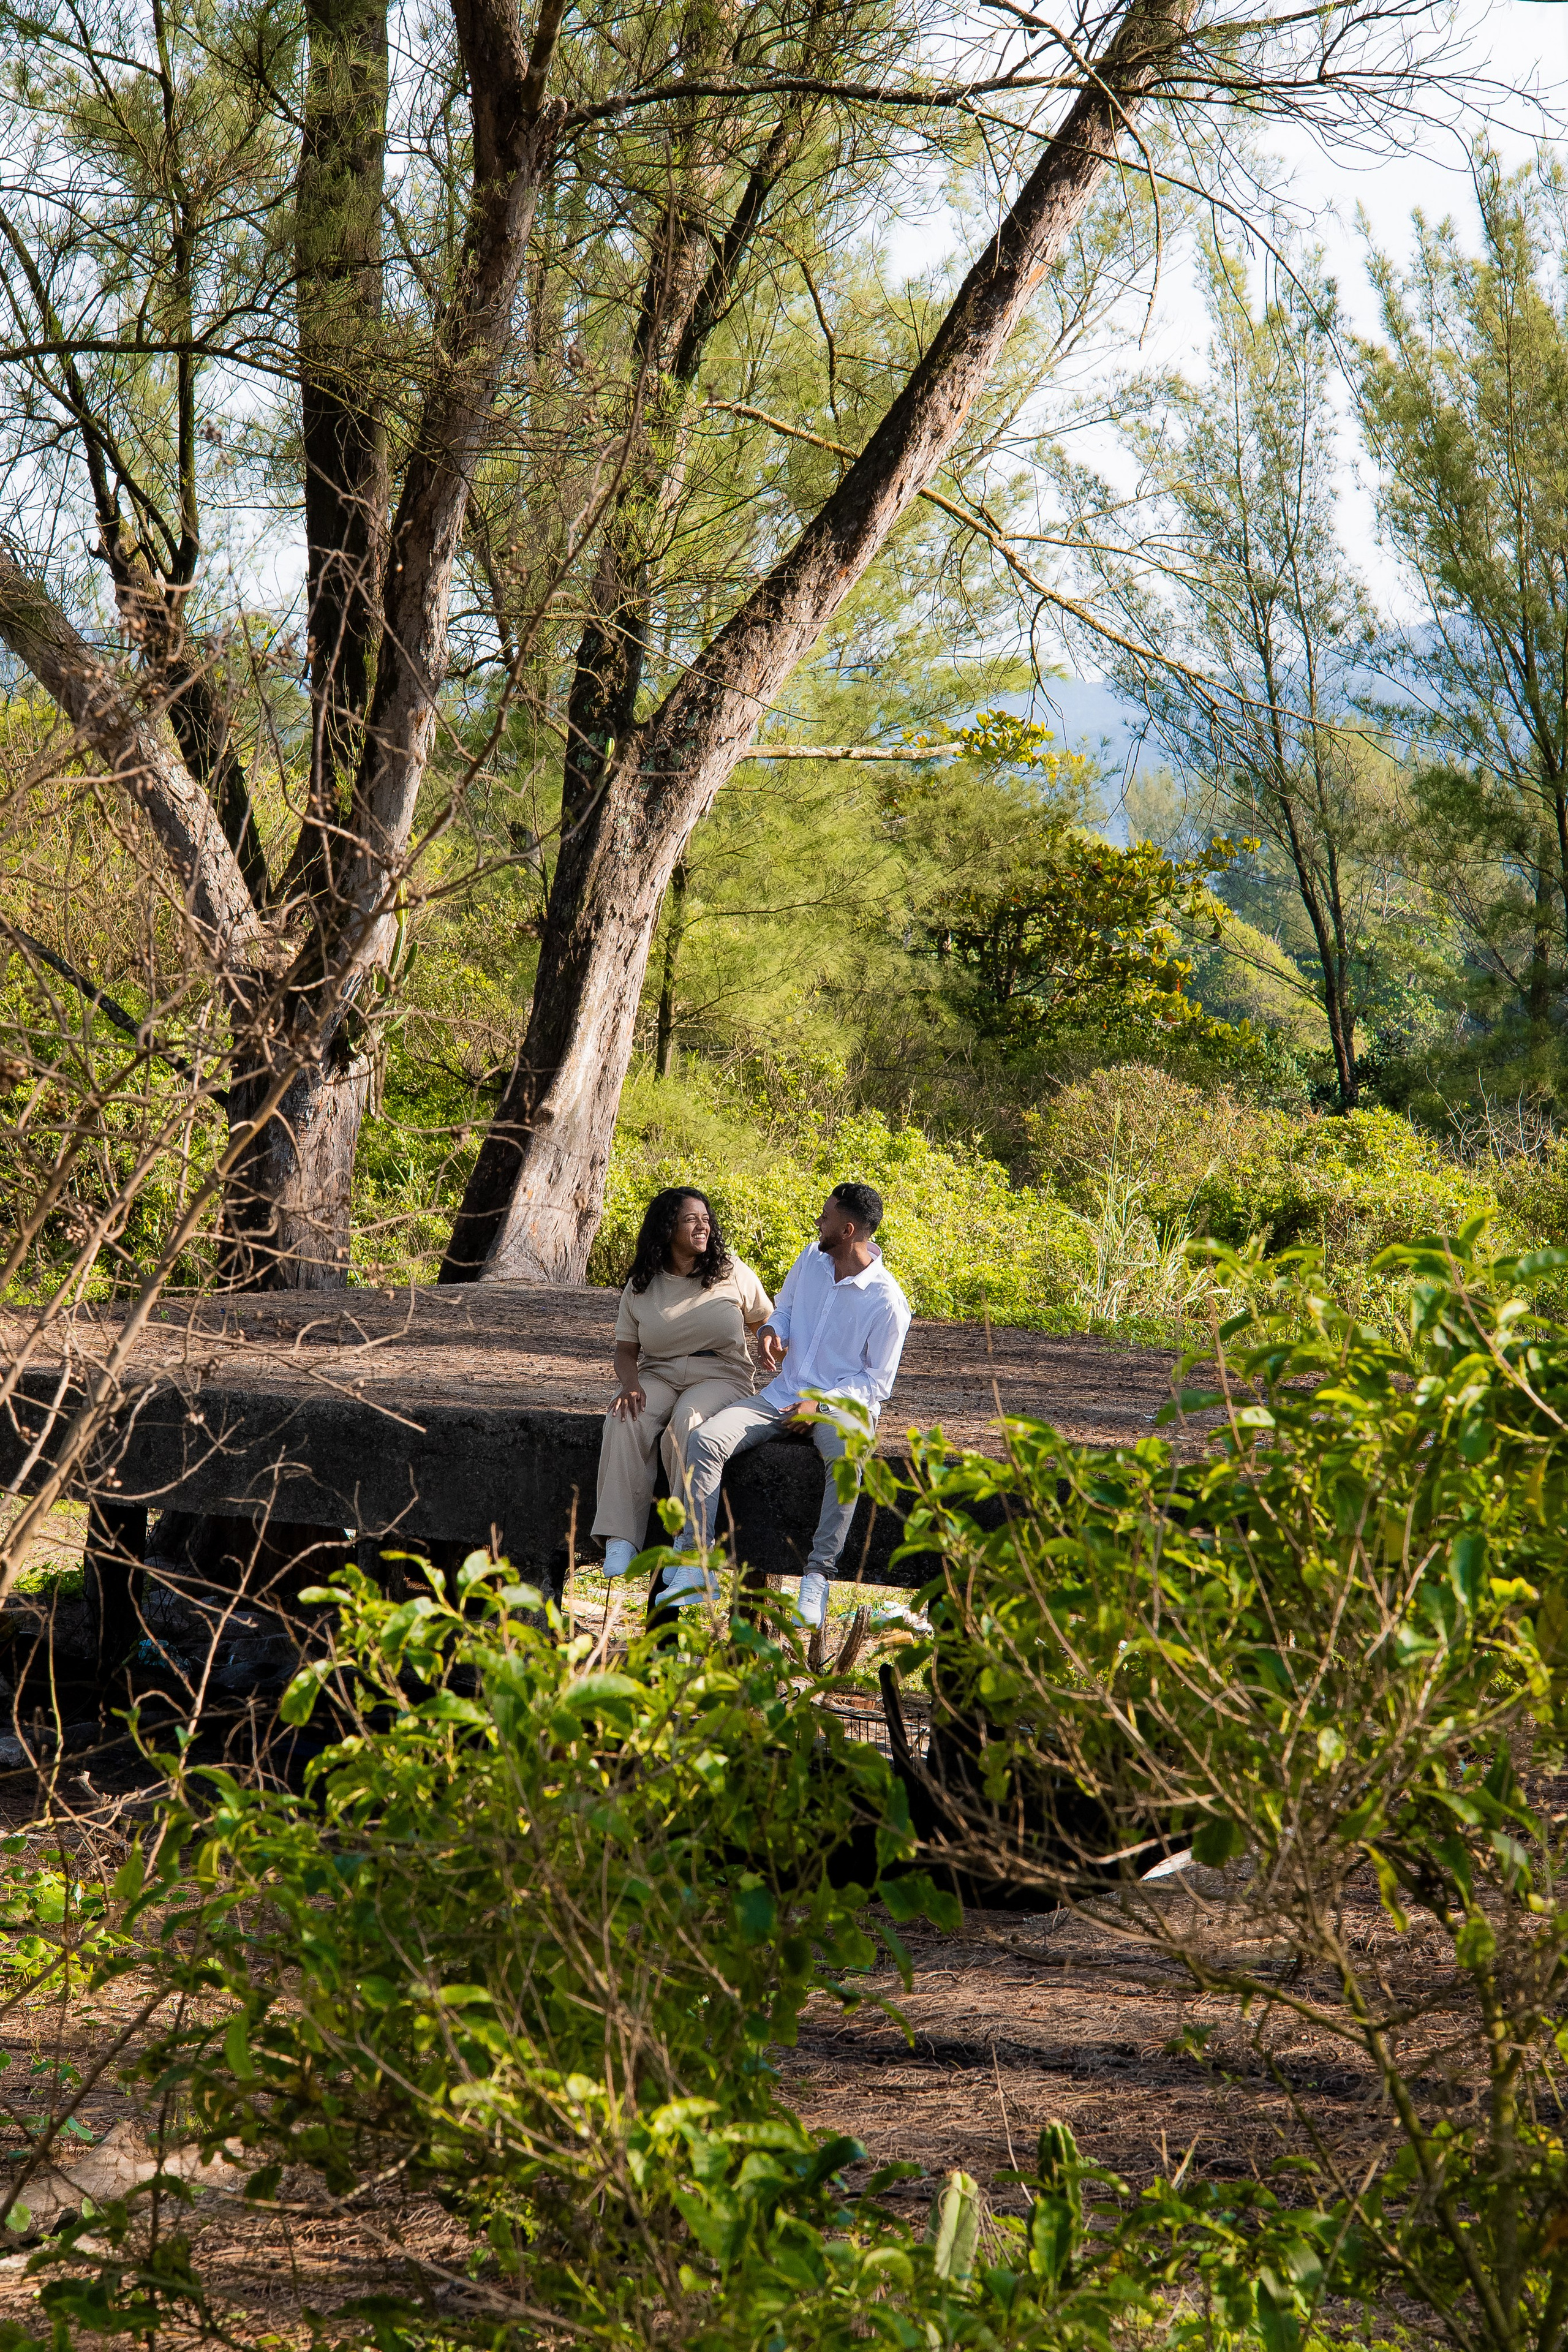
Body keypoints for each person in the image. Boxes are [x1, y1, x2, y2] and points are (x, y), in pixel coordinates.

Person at [679, 1182, 911, 1630]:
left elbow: (876, 1383)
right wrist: (771, 1330)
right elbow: (782, 1309)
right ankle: (696, 1560)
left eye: (825, 1218)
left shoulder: (887, 1301)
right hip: (783, 1395)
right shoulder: (811, 1258)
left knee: (845, 1459)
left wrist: (819, 1404)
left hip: (845, 1405)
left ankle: (818, 1576)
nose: (817, 1223)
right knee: (706, 1439)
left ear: (846, 1230)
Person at [592, 1187, 773, 1583]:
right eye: (692, 1219)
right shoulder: (643, 1284)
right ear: (668, 1227)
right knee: (624, 1419)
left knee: (687, 1421)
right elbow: (626, 1351)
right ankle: (621, 1540)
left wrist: (768, 1342)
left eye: (706, 1219)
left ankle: (683, 1540)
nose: (702, 1225)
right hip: (659, 1374)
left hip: (722, 1374)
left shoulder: (730, 1270)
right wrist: (631, 1383)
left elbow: (766, 1320)